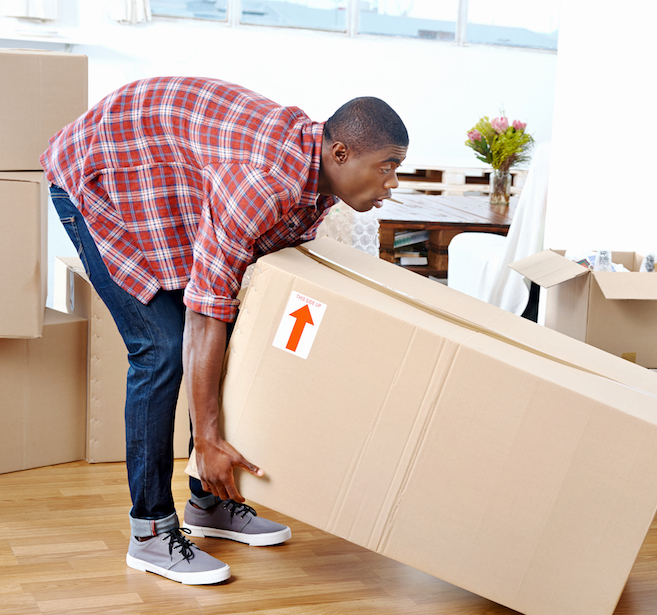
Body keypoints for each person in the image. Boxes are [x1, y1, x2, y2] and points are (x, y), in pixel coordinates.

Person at [42, 77, 409, 585]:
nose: (393, 183)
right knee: (162, 349)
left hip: (159, 189)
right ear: (341, 152)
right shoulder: (263, 183)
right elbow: (204, 312)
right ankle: (149, 532)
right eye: (388, 167)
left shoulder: (317, 180)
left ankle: (208, 503)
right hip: (99, 179)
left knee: (225, 340)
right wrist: (209, 435)